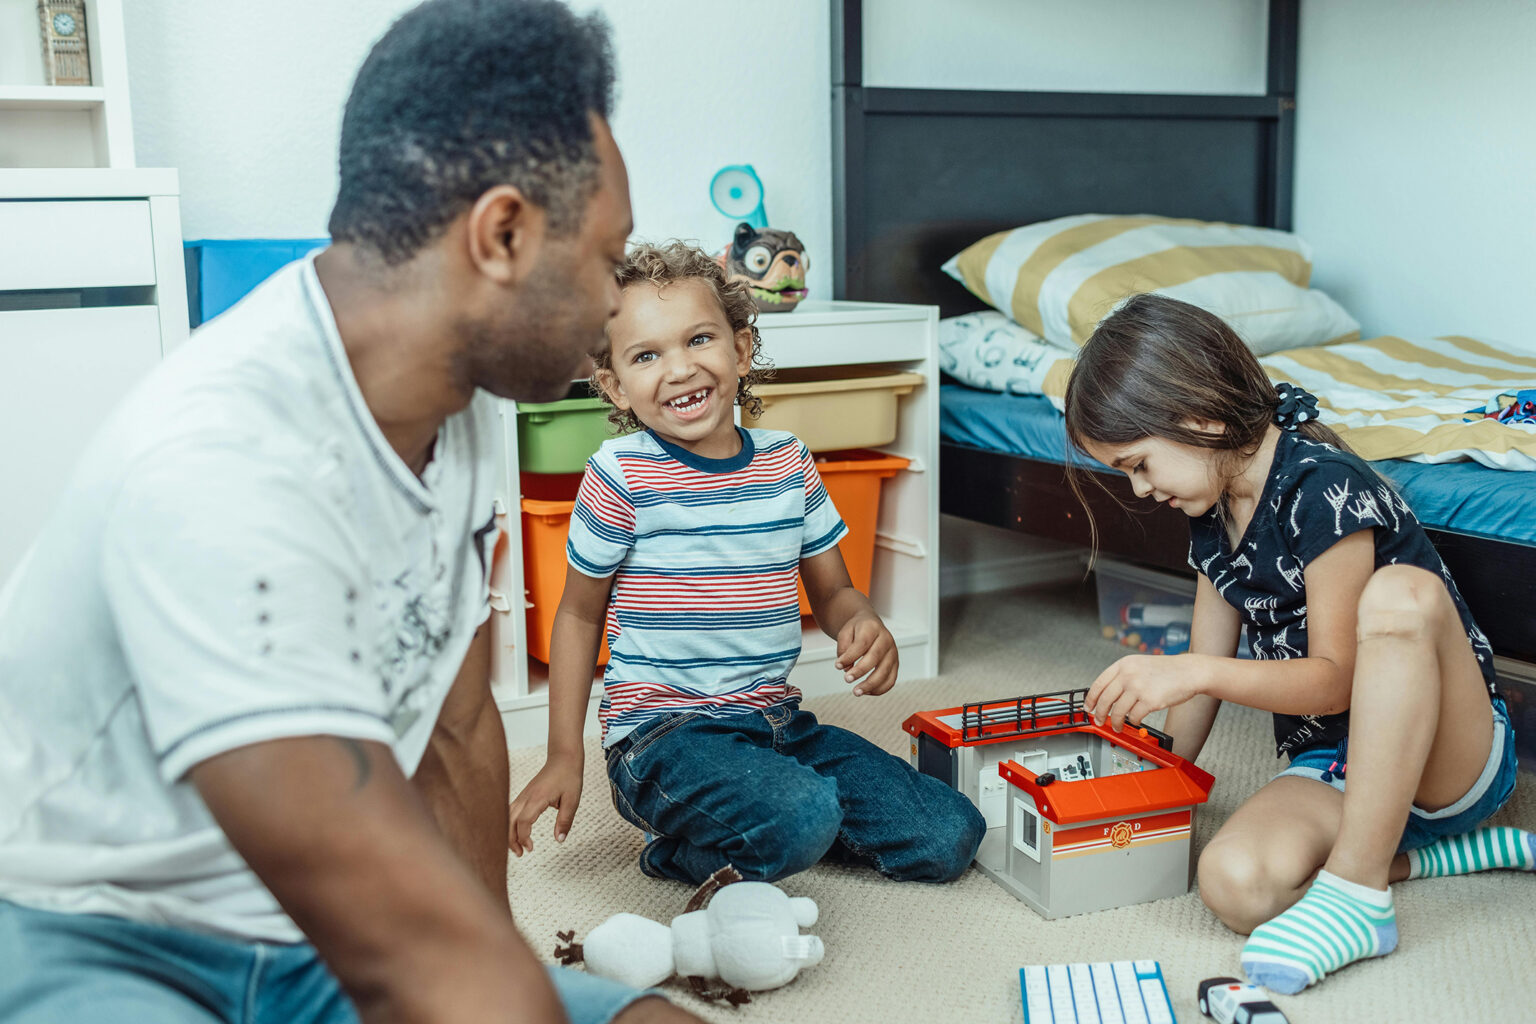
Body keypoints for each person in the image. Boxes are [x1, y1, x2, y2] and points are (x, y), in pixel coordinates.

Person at [0, 2, 702, 1022]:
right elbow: (398, 938)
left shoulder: (451, 405)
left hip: (306, 941)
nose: (612, 299)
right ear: (502, 233)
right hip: (97, 934)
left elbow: (459, 729)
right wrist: (466, 979)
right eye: (606, 255)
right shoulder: (221, 469)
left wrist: (493, 954)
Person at [1064, 294, 1531, 995]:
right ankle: (1423, 861)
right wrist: (1159, 782)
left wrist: (1190, 671)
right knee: (1232, 884)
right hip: (1338, 767)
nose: (1139, 487)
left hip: (1445, 759)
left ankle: (1357, 889)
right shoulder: (1211, 510)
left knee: (1400, 594)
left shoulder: (1323, 486)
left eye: (1140, 463)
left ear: (1199, 418)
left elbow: (1333, 680)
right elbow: (1204, 656)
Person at [508, 241, 985, 885]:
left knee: (950, 834)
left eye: (698, 340)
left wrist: (864, 623)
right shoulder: (619, 475)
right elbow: (576, 615)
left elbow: (835, 591)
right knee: (803, 813)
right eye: (647, 356)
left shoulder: (788, 462)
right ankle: (687, 848)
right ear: (616, 388)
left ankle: (780, 824)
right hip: (662, 738)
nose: (679, 369)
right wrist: (565, 753)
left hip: (776, 725)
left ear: (741, 350)